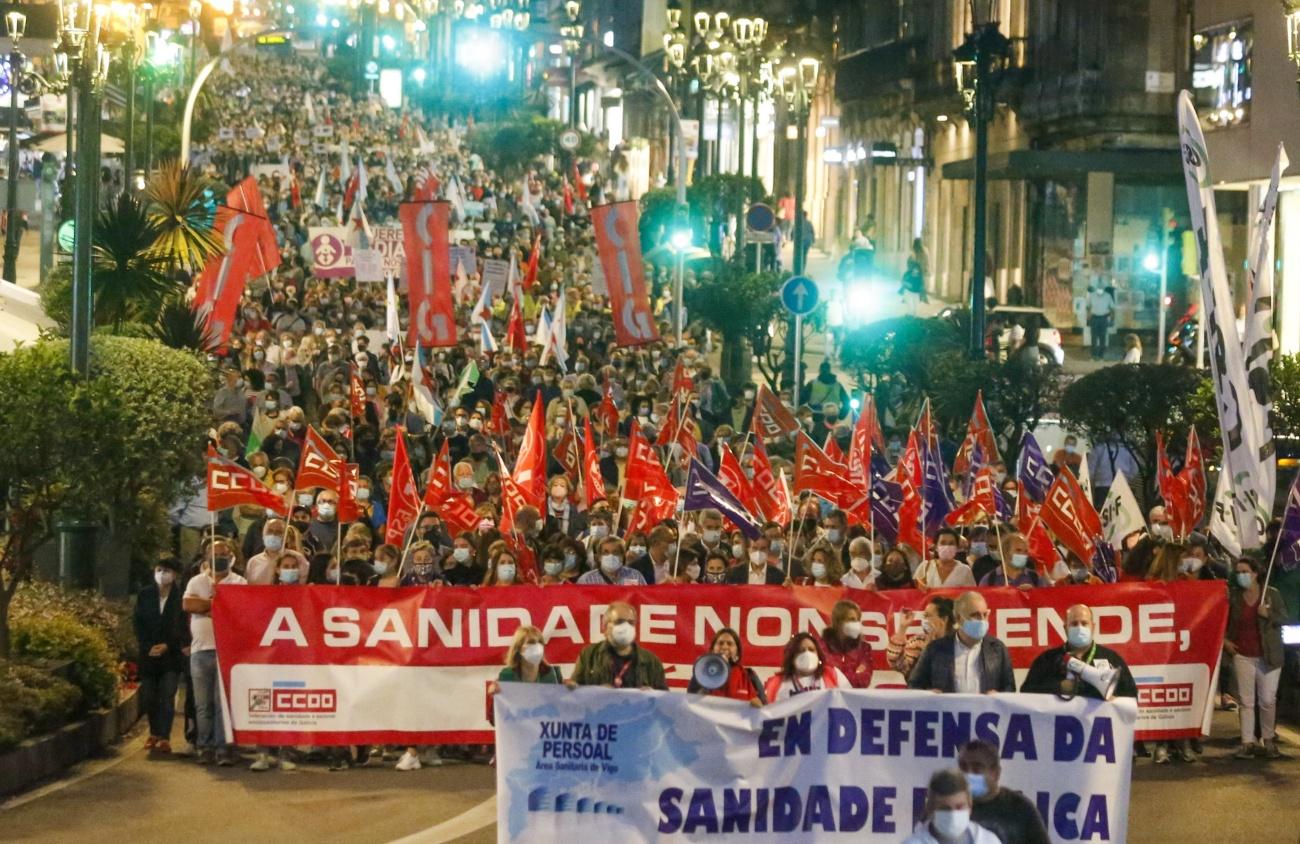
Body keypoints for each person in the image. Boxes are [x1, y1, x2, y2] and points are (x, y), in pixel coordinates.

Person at [182, 540, 247, 765]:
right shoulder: (196, 581)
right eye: (215, 554)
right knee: (203, 704)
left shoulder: (240, 582)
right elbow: (189, 605)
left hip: (227, 652)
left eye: (224, 554)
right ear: (206, 557)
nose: (219, 557)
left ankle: (223, 748)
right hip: (201, 650)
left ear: (231, 557)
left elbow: (239, 611)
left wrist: (208, 606)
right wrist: (217, 604)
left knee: (223, 704)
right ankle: (204, 746)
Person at [1225, 557, 1288, 759]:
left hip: (1268, 656)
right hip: (1242, 654)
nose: (1241, 575)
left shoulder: (1271, 595)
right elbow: (1224, 622)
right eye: (1238, 572)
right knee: (1246, 701)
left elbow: (1284, 618)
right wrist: (1225, 641)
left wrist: (1267, 614)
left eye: (1245, 571)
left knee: (1268, 700)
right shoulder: (1234, 597)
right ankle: (1247, 742)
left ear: (1256, 573)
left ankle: (1268, 739)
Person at [1020, 604, 1138, 700]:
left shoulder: (1111, 658)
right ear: (1065, 628)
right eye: (1074, 624)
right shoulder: (1047, 659)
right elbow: (1026, 692)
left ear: (1093, 627)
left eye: (1084, 623)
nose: (1080, 628)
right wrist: (1058, 687)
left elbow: (1131, 696)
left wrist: (1115, 701)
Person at [908, 592, 1015, 694]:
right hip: (946, 711)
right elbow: (914, 686)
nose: (982, 620)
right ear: (958, 618)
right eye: (975, 615)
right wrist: (928, 695)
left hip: (985, 712)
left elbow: (1010, 687)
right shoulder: (935, 649)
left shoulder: (998, 649)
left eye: (985, 615)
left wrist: (999, 696)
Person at [134, 556, 188, 756]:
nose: (162, 574)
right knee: (149, 696)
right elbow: (138, 622)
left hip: (170, 657)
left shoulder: (180, 597)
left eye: (166, 570)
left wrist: (168, 645)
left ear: (174, 575)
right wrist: (147, 645)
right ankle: (153, 733)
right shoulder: (145, 595)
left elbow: (182, 626)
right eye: (159, 570)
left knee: (166, 695)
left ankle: (164, 736)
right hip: (148, 654)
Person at [958, 740, 1051, 844]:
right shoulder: (951, 806)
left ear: (996, 773)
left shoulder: (1020, 807)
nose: (968, 773)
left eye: (977, 768)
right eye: (963, 767)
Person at [570, 602, 668, 689]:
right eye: (619, 622)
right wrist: (596, 692)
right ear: (604, 627)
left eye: (631, 623)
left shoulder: (651, 661)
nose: (626, 627)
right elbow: (575, 694)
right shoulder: (589, 655)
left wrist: (652, 695)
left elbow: (664, 701)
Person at [902, 768, 1001, 844]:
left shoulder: (989, 841)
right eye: (944, 808)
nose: (953, 815)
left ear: (970, 806)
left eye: (959, 807)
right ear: (930, 809)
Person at [686, 628, 765, 707]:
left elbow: (765, 709)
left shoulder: (749, 676)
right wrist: (700, 695)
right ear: (713, 649)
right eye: (720, 643)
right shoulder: (701, 674)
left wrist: (758, 706)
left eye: (730, 644)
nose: (724, 647)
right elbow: (689, 704)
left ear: (737, 651)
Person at [763, 632, 850, 702]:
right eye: (801, 651)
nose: (807, 654)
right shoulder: (776, 683)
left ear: (818, 654)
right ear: (792, 656)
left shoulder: (833, 675)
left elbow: (851, 701)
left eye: (811, 650)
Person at [888, 596, 955, 681]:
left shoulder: (958, 644)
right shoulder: (918, 642)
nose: (925, 620)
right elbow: (897, 664)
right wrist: (902, 628)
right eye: (924, 616)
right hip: (918, 692)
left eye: (928, 616)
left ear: (944, 619)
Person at [819, 600, 874, 688]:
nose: (856, 624)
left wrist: (834, 675)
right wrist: (854, 673)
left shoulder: (864, 648)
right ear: (839, 621)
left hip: (853, 700)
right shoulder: (820, 646)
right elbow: (819, 678)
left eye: (858, 620)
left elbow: (864, 681)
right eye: (851, 619)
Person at [577, 537, 648, 585]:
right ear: (599, 557)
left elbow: (644, 600)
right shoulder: (586, 580)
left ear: (623, 556)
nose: (611, 556)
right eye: (606, 552)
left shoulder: (636, 576)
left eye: (615, 552)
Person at [1087, 282, 1114, 360]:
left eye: (1101, 289)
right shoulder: (1092, 296)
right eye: (1098, 288)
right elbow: (1088, 307)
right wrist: (1088, 317)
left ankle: (1101, 356)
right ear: (1096, 289)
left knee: (1103, 338)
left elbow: (1112, 308)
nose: (1100, 290)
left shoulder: (1108, 296)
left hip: (1104, 318)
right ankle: (1094, 356)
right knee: (1094, 338)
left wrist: (1112, 319)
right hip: (1094, 318)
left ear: (1103, 289)